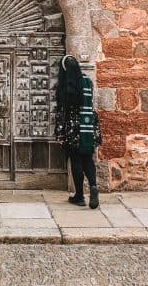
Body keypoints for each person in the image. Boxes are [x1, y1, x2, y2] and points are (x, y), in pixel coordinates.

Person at [55, 55, 102, 209]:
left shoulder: (66, 86)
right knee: (88, 158)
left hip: (72, 128)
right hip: (88, 126)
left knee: (75, 160)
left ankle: (80, 196)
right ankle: (93, 186)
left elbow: (62, 111)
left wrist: (60, 133)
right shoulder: (88, 82)